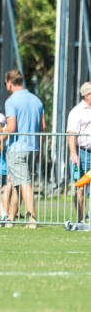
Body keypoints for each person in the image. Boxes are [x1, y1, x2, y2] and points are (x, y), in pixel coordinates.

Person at [0, 69, 45, 228]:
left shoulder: (11, 101)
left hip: (18, 148)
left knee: (24, 183)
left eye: (5, 83)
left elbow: (11, 127)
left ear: (10, 83)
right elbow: (43, 127)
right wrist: (41, 149)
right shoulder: (36, 100)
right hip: (33, 147)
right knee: (17, 184)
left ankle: (32, 220)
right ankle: (11, 218)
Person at [66, 82, 91, 223]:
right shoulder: (76, 111)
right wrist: (73, 153)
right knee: (81, 187)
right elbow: (71, 134)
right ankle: (81, 219)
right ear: (86, 95)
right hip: (82, 153)